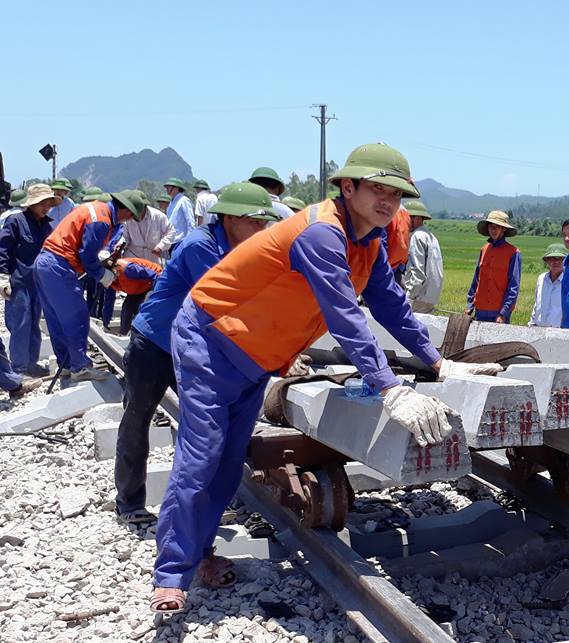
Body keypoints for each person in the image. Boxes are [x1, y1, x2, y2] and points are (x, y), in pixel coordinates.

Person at [150, 143, 502, 614]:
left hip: (255, 357)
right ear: (348, 187)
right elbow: (344, 315)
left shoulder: (369, 242)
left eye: (396, 194)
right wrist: (388, 385)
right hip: (211, 343)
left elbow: (390, 305)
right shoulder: (321, 233)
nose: (387, 201)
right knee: (202, 458)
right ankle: (172, 573)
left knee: (228, 457)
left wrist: (437, 363)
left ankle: (199, 552)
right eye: (377, 188)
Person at [115, 182, 281, 528]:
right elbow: (231, 304)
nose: (261, 229)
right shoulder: (199, 246)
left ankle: (207, 504)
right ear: (230, 218)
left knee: (209, 425)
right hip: (156, 344)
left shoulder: (243, 248)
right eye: (254, 222)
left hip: (194, 347)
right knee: (138, 418)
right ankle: (130, 501)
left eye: (265, 223)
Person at [34, 190, 146, 382]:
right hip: (59, 265)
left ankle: (68, 364)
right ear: (126, 211)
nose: (128, 220)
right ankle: (80, 367)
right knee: (77, 316)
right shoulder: (102, 220)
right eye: (130, 216)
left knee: (57, 319)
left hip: (46, 263)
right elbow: (87, 255)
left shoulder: (97, 210)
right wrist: (103, 275)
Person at [0, 184, 56, 375]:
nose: (46, 207)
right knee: (20, 324)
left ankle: (31, 364)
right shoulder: (15, 221)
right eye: (42, 203)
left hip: (38, 283)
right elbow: (3, 250)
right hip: (19, 282)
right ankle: (19, 368)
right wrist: (3, 278)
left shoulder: (47, 226)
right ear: (31, 203)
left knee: (34, 324)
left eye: (48, 203)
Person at [466, 210, 521, 323]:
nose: (493, 230)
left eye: (497, 227)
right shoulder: (484, 250)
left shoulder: (513, 253)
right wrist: (470, 305)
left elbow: (513, 287)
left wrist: (503, 313)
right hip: (480, 310)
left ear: (504, 229)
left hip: (498, 312)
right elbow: (476, 280)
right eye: (491, 226)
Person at [402, 200, 443, 313]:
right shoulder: (431, 237)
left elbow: (418, 272)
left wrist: (408, 296)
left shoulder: (417, 237)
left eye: (408, 218)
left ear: (418, 218)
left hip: (418, 296)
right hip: (431, 297)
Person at [528, 243, 566, 328]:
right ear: (547, 261)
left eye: (560, 258)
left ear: (566, 261)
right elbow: (537, 303)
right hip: (538, 328)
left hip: (559, 330)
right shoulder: (541, 278)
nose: (555, 262)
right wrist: (532, 322)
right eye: (551, 258)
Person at [162, 178, 194, 253]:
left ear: (176, 188)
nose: (166, 189)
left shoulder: (184, 201)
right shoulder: (171, 203)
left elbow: (190, 221)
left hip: (181, 241)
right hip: (172, 240)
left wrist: (189, 241)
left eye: (169, 187)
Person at [384, 203, 411, 282]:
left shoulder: (383, 208)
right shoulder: (405, 212)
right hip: (399, 266)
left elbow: (381, 241)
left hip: (384, 266)